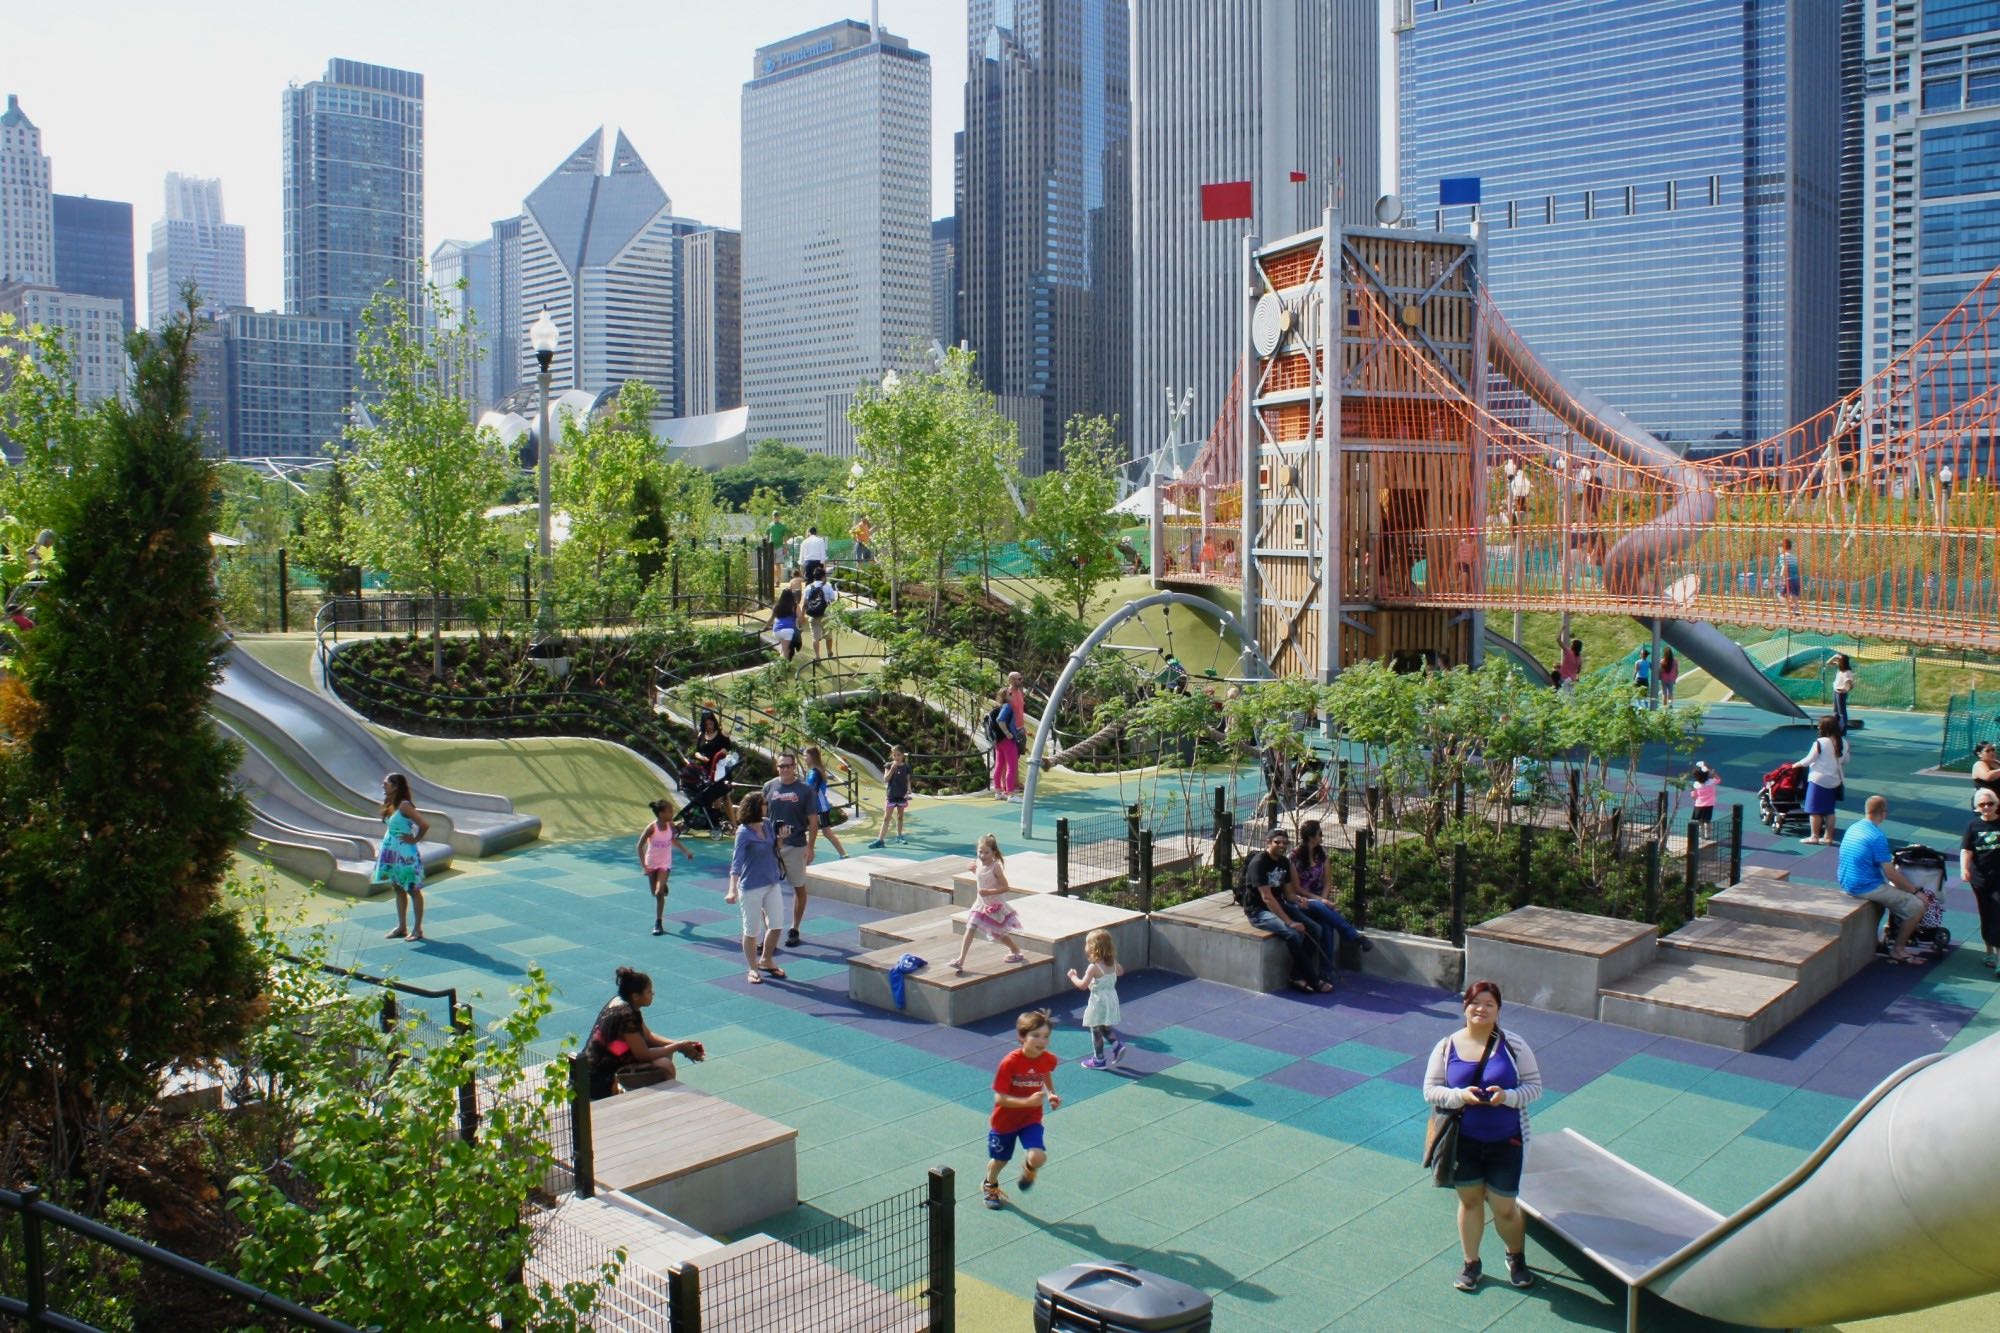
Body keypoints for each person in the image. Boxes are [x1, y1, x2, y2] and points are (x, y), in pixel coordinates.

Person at [1423, 980, 1543, 1293]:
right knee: (1470, 1201)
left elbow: (1535, 1087)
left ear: (1498, 1011)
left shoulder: (1513, 1045)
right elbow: (1431, 1090)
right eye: (1476, 1002)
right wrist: (1460, 1096)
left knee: (1505, 1207)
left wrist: (1508, 1097)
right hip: (1465, 1142)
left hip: (1508, 1141)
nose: (1482, 1009)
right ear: (1465, 1007)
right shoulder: (1447, 1046)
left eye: (1490, 1004)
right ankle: (1471, 1263)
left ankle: (1515, 1256)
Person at [1238, 826, 1336, 994]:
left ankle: (1296, 975)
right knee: (1292, 933)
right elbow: (1266, 897)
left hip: (1278, 905)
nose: (1282, 846)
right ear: (1268, 842)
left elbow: (1288, 894)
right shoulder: (1259, 863)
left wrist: (1299, 899)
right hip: (1258, 911)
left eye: (1285, 843)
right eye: (1278, 842)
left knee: (1315, 928)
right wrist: (1289, 922)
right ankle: (1313, 979)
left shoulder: (1284, 862)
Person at [584, 967, 705, 1100]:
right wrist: (678, 1047)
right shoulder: (626, 1015)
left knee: (665, 1053)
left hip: (594, 1067)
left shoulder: (621, 1002)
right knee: (665, 1066)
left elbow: (648, 1036)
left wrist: (684, 1046)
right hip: (599, 1078)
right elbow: (643, 1055)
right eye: (648, 992)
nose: (653, 994)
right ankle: (655, 1104)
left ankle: (643, 1094)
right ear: (636, 996)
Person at [983, 1010, 1060, 1210]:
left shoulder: (1047, 1058)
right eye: (1035, 1035)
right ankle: (990, 1184)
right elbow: (999, 1098)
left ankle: (1028, 1169)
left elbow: (1045, 1073)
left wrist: (1051, 1093)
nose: (1041, 1041)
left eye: (1045, 1036)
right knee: (1000, 1160)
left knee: (1038, 1157)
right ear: (1022, 1036)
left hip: (1030, 1119)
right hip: (1005, 1121)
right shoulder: (1010, 1062)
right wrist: (1028, 1102)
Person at [726, 793, 789, 984]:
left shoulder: (767, 824)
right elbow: (736, 863)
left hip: (771, 882)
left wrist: (781, 840)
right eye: (763, 804)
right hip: (751, 886)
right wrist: (732, 889)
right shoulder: (744, 832)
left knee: (777, 925)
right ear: (754, 807)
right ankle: (752, 968)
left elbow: (774, 849)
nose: (766, 806)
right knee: (751, 931)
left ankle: (766, 960)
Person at [761, 752, 819, 949]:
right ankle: (770, 933)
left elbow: (813, 821)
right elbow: (761, 815)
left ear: (795, 767)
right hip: (771, 846)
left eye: (789, 765)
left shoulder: (805, 790)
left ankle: (794, 928)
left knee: (798, 886)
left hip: (795, 845)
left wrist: (810, 847)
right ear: (776, 767)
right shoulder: (769, 786)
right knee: (764, 888)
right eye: (781, 766)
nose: (785, 769)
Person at [1291, 819, 1373, 957]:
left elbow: (1327, 882)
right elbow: (1297, 888)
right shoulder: (1294, 857)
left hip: (1318, 900)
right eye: (1320, 833)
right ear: (1312, 837)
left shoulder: (1322, 856)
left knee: (1327, 926)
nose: (1322, 836)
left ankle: (1326, 974)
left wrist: (1323, 900)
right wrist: (1321, 901)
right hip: (1301, 900)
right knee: (1320, 907)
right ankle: (1353, 935)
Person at [953, 835, 1027, 973]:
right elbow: (981, 877)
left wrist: (990, 892)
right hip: (980, 903)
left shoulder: (996, 867)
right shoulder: (979, 863)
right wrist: (973, 870)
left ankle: (1015, 950)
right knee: (971, 926)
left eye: (986, 852)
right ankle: (960, 960)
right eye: (980, 852)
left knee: (999, 933)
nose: (982, 855)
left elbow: (1006, 887)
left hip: (994, 905)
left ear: (993, 852)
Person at [376, 773, 431, 941]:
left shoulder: (404, 805)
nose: (383, 786)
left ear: (395, 786)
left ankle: (417, 929)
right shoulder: (389, 803)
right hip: (391, 851)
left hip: (405, 853)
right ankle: (401, 926)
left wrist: (414, 839)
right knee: (398, 888)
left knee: (413, 890)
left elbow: (424, 824)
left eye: (386, 783)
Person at [635, 797, 694, 937]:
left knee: (658, 893)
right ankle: (662, 885)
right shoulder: (651, 828)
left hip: (665, 863)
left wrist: (685, 851)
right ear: (661, 813)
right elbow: (639, 846)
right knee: (654, 893)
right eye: (670, 811)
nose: (672, 813)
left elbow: (672, 839)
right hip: (652, 863)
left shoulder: (671, 826)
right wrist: (644, 865)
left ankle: (658, 922)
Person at [1067, 930, 1125, 1070]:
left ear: (1093, 948)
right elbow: (1121, 972)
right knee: (1103, 1025)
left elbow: (1082, 985)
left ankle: (1099, 1059)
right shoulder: (1113, 963)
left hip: (1098, 1000)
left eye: (1087, 944)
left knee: (1095, 1029)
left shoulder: (1094, 967)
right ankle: (1116, 1045)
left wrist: (1072, 976)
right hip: (1111, 997)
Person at [1963, 789, 2000, 972]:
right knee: (1986, 914)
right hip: (1980, 879)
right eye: (1982, 804)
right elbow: (1967, 850)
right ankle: (1989, 951)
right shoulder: (1973, 826)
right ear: (1977, 807)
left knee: (1998, 914)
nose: (1987, 807)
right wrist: (1964, 868)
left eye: (1990, 803)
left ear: (1996, 804)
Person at [1797, 715, 1847, 845]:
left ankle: (1814, 836)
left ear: (1824, 727)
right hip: (1835, 780)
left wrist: (1796, 765)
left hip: (1818, 779)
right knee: (1829, 811)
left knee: (1815, 810)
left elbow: (1809, 760)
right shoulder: (1844, 742)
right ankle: (1828, 837)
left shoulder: (1821, 742)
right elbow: (1846, 760)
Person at [801, 746, 847, 861]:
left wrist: (805, 803)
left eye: (806, 755)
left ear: (812, 756)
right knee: (804, 828)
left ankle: (843, 853)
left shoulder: (816, 772)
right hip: (813, 805)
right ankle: (806, 851)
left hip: (820, 806)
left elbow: (814, 791)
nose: (804, 757)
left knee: (826, 831)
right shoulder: (811, 771)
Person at [868, 745, 913, 848]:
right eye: (894, 755)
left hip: (901, 796)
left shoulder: (906, 767)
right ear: (892, 755)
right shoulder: (888, 765)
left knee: (900, 817)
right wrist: (892, 769)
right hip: (891, 795)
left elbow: (908, 779)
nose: (896, 757)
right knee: (886, 818)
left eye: (898, 755)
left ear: (903, 756)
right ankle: (880, 840)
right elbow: (885, 779)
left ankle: (899, 836)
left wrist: (909, 788)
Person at [988, 686, 1024, 801]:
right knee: (1011, 767)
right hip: (1008, 741)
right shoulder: (1007, 706)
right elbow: (1000, 719)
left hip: (999, 742)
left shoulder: (999, 707)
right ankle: (1011, 794)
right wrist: (1007, 732)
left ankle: (998, 792)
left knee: (999, 765)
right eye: (1010, 694)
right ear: (1005, 697)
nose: (1012, 695)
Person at [803, 567, 839, 660]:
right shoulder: (827, 586)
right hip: (825, 615)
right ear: (823, 576)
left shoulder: (808, 587)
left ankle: (817, 657)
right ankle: (829, 652)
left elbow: (806, 603)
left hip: (813, 616)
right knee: (829, 636)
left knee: (815, 638)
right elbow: (833, 601)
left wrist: (802, 615)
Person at [769, 569, 803, 662]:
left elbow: (771, 619)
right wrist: (800, 626)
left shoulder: (777, 606)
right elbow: (800, 617)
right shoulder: (795, 605)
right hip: (788, 630)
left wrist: (766, 626)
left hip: (776, 631)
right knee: (785, 650)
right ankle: (782, 667)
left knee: (784, 647)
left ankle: (783, 661)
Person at [1689, 762, 1722, 841]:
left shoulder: (1696, 784)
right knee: (1707, 821)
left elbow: (1694, 797)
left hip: (1698, 805)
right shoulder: (1711, 782)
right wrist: (1713, 774)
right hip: (1709, 804)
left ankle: (1701, 836)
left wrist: (1692, 791)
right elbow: (1719, 779)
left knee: (1700, 822)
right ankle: (1708, 836)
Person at [1832, 653, 1855, 734]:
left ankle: (1843, 730)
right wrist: (1834, 657)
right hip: (1835, 691)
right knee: (1835, 712)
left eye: (1839, 659)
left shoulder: (1847, 672)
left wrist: (1845, 691)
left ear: (1843, 661)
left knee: (1842, 712)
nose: (1837, 661)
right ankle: (1836, 728)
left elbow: (1851, 685)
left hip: (1841, 693)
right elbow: (1829, 663)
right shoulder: (1840, 669)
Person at [1971, 742, 2000, 807]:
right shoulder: (1978, 764)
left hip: (1997, 802)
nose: (1991, 752)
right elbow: (1988, 776)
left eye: (1993, 750)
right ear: (1979, 754)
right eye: (1988, 751)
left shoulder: (1996, 762)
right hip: (1986, 804)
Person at [1776, 538, 1801, 603]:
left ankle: (1790, 606)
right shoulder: (1794, 557)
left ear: (1782, 547)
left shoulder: (1782, 556)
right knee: (1795, 598)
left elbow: (1785, 566)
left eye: (1779, 547)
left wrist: (1781, 577)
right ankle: (1796, 611)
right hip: (1797, 580)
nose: (1778, 549)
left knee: (1780, 595)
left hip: (1788, 579)